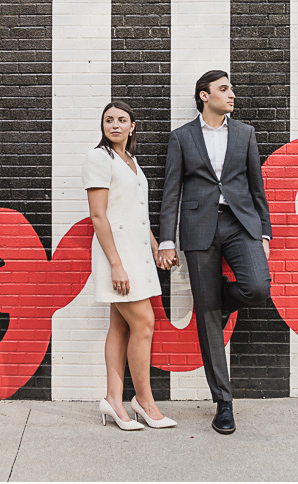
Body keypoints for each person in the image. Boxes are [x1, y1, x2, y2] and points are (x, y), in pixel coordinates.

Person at [156, 70, 272, 435]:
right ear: (204, 96)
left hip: (240, 225)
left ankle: (219, 295)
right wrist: (166, 240)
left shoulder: (245, 134)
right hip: (198, 228)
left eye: (231, 89)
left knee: (257, 287)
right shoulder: (181, 138)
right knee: (207, 319)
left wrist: (265, 232)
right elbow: (171, 191)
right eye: (224, 89)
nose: (231, 94)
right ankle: (223, 402)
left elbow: (257, 186)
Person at [82, 101, 177, 431]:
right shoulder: (99, 158)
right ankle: (145, 402)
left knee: (122, 326)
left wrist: (157, 249)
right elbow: (98, 215)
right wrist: (116, 265)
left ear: (132, 126)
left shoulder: (130, 160)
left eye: (122, 120)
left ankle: (113, 400)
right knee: (145, 324)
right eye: (108, 120)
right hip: (118, 255)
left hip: (137, 254)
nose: (115, 125)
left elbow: (139, 215)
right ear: (103, 126)